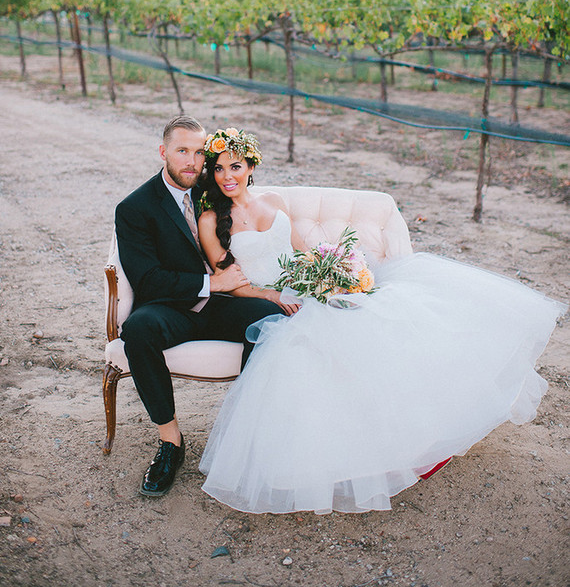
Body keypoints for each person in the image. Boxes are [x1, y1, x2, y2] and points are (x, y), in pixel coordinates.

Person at [197, 126, 567, 515]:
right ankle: (351, 454)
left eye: (235, 166)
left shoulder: (272, 200)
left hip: (311, 286)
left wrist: (332, 275)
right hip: (275, 300)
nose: (227, 177)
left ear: (250, 164)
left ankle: (421, 440)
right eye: (219, 169)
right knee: (323, 344)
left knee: (393, 317)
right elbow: (232, 284)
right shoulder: (211, 220)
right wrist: (275, 296)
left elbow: (304, 251)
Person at [115, 116, 287, 498]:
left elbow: (245, 192)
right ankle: (171, 442)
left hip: (221, 305)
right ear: (164, 152)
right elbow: (147, 280)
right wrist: (212, 282)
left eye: (198, 152)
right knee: (138, 330)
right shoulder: (135, 208)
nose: (192, 161)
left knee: (273, 320)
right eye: (182, 151)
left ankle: (250, 436)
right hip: (170, 308)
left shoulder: (212, 188)